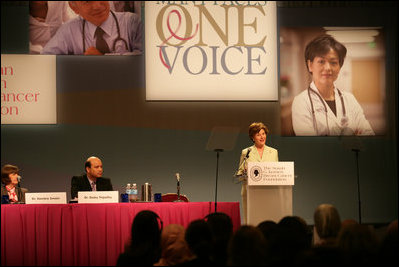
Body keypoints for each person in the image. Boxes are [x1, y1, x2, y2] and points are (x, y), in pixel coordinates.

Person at [291, 34, 375, 136]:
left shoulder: (350, 99)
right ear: (310, 65)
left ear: (340, 67)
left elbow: (369, 136)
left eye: (333, 62)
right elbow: (310, 147)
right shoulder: (301, 102)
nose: (328, 68)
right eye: (321, 61)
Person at [41, 1, 142, 55]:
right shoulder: (69, 30)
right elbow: (46, 58)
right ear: (74, 8)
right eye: (87, 1)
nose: (97, 5)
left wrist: (102, 60)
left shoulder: (132, 22)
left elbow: (145, 60)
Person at [236, 122, 278, 224]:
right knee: (251, 222)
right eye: (258, 134)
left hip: (267, 193)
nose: (262, 137)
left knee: (266, 221)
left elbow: (277, 173)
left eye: (263, 134)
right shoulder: (246, 152)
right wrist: (244, 173)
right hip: (250, 192)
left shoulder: (273, 152)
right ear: (252, 137)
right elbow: (239, 175)